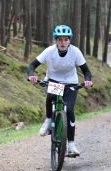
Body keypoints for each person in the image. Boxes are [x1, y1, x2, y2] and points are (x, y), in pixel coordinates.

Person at [27, 25, 93, 156]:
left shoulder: (75, 52)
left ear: (70, 41)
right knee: (51, 95)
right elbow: (32, 65)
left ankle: (71, 146)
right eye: (60, 40)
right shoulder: (49, 51)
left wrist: (87, 80)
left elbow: (86, 71)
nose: (63, 43)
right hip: (53, 81)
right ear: (56, 40)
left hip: (71, 83)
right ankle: (48, 120)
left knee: (69, 110)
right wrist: (31, 75)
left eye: (66, 40)